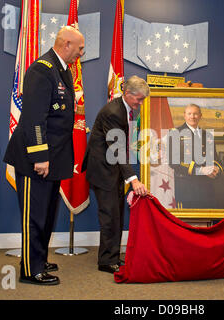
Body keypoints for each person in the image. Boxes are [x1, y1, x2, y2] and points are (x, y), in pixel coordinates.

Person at [4, 26, 85, 285]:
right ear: (66, 44)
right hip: (35, 158)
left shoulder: (62, 71)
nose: (81, 53)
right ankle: (30, 270)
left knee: (48, 213)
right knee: (34, 214)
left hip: (54, 156)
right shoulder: (42, 69)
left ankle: (37, 258)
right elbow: (34, 118)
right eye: (80, 48)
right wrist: (40, 155)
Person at [82, 75, 149, 274]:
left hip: (114, 169)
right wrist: (133, 179)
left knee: (116, 214)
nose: (140, 103)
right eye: (139, 99)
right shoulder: (113, 112)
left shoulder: (126, 109)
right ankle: (106, 261)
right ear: (127, 94)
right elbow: (117, 148)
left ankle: (112, 255)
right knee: (110, 216)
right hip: (103, 170)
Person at [168, 104, 223, 208]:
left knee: (207, 221)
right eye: (189, 114)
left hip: (207, 188)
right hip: (187, 188)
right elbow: (174, 162)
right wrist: (201, 170)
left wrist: (216, 170)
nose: (192, 116)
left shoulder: (207, 135)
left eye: (195, 114)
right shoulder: (175, 133)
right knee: (187, 223)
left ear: (200, 116)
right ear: (184, 115)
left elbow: (215, 159)